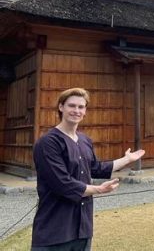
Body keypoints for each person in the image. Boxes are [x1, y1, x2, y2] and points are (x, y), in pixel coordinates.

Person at [31, 88, 145, 250]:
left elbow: (96, 168)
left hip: (83, 228)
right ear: (61, 107)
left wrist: (127, 160)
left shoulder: (85, 140)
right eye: (72, 106)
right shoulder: (48, 143)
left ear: (85, 111)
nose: (76, 111)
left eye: (81, 107)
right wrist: (98, 189)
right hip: (55, 230)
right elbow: (62, 183)